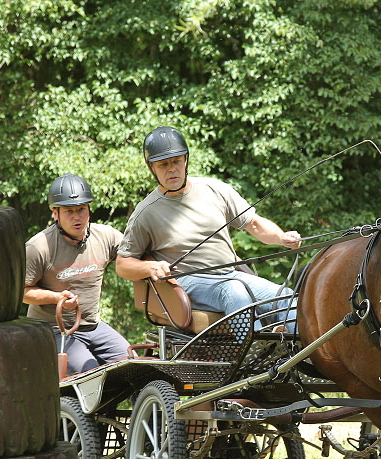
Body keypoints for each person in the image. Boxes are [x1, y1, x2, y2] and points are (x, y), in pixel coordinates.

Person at [116, 126, 301, 332]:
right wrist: (150, 268)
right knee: (234, 291)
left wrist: (282, 237)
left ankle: (302, 356)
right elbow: (123, 265)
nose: (172, 169)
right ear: (152, 168)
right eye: (163, 164)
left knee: (287, 297)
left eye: (177, 161)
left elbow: (254, 224)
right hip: (188, 282)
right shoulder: (145, 213)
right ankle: (257, 352)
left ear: (186, 160)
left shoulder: (215, 189)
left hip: (230, 274)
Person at [24, 173, 131, 375]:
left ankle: (142, 406)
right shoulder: (39, 247)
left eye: (81, 209)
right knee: (90, 372)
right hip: (54, 331)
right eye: (69, 211)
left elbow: (134, 255)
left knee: (133, 366)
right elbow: (21, 292)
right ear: (55, 213)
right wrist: (56, 298)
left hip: (93, 326)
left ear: (89, 210)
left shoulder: (106, 236)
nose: (77, 217)